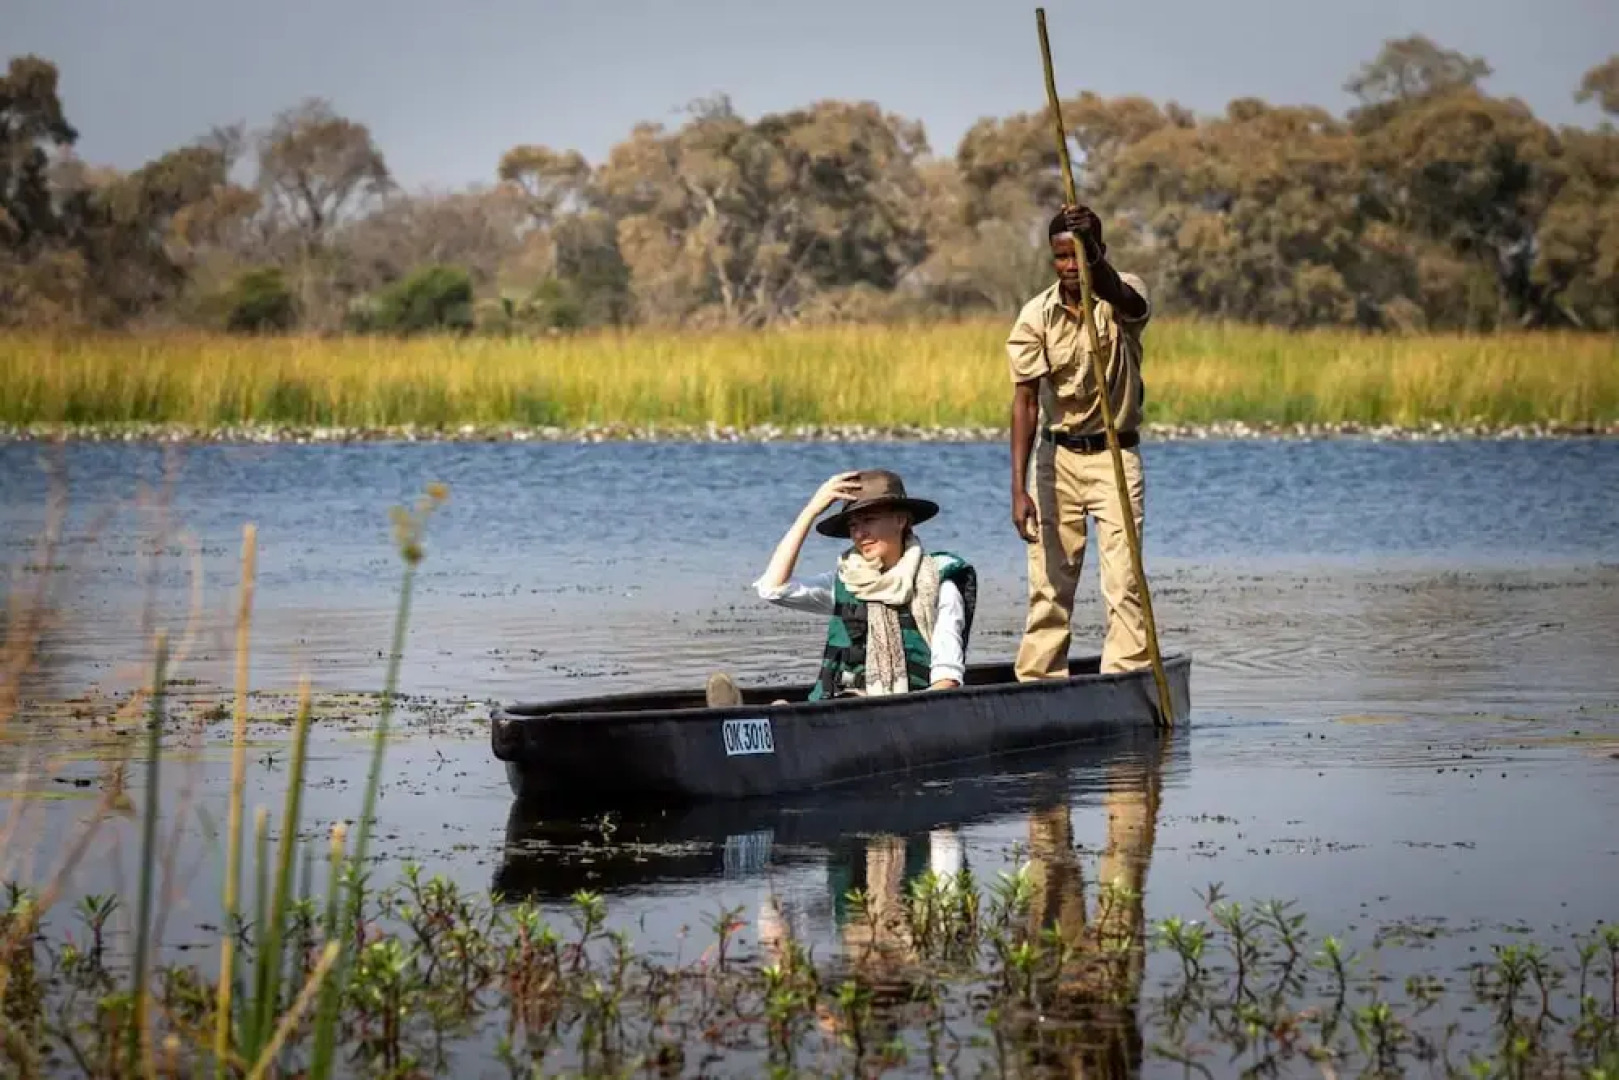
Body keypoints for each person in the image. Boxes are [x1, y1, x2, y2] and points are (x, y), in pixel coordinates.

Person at [1006, 203, 1154, 679]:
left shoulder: (1121, 294)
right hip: (1058, 461)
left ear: (1098, 253)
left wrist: (1094, 257)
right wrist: (1018, 488)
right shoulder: (1036, 316)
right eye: (1061, 257)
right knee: (1049, 584)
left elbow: (1125, 299)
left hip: (1115, 458)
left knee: (1124, 581)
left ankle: (1126, 677)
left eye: (1079, 256)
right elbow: (1025, 402)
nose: (1070, 268)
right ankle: (1041, 681)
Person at [705, 469, 977, 707]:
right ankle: (750, 717)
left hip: (899, 713)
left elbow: (948, 679)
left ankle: (764, 718)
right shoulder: (846, 581)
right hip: (837, 706)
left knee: (787, 712)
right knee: (785, 708)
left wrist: (896, 710)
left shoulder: (939, 581)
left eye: (868, 520)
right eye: (853, 526)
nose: (859, 534)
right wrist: (811, 511)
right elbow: (773, 588)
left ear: (901, 520)